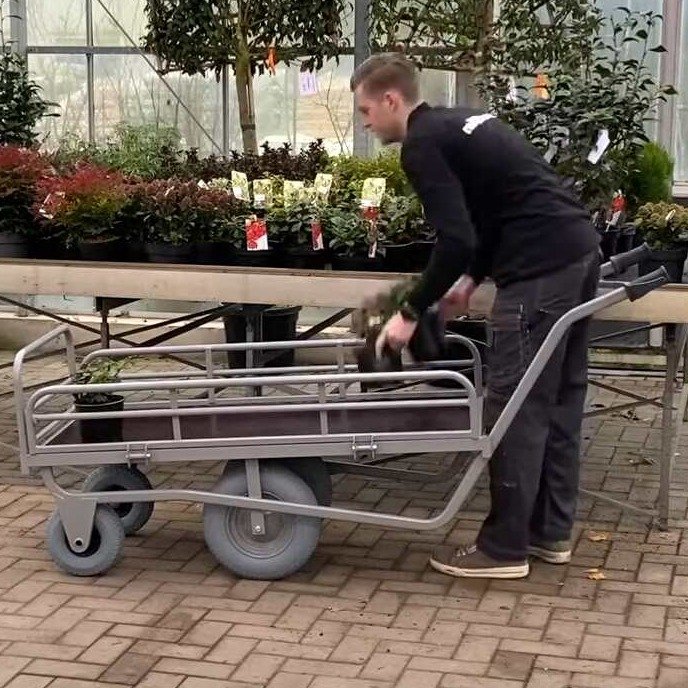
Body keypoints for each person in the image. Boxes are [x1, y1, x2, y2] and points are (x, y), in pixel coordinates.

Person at [351, 53, 601, 579]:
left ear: (391, 100)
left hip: (538, 273)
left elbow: (456, 237)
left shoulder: (422, 145)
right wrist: (469, 279)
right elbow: (491, 212)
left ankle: (504, 549)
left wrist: (410, 312)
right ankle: (549, 535)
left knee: (514, 407)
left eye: (367, 111)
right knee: (558, 402)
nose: (366, 123)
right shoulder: (457, 123)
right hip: (577, 254)